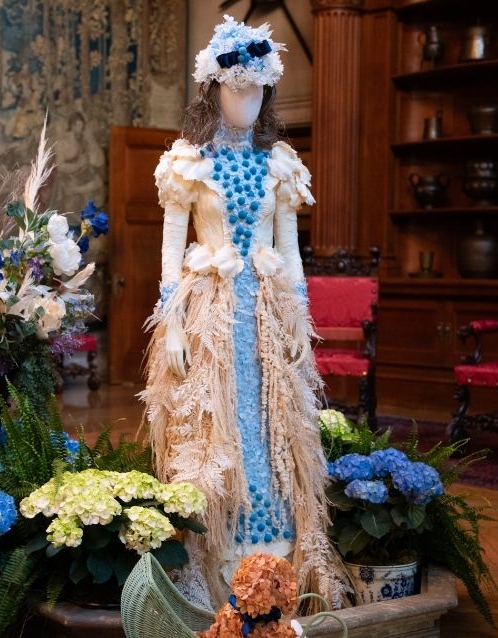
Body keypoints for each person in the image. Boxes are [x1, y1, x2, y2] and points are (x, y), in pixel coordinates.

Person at [140, 15, 344, 609]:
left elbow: (290, 252)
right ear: (214, 90)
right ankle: (217, 550)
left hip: (266, 313)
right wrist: (172, 322)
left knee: (274, 422)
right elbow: (169, 255)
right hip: (209, 314)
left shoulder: (278, 162)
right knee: (214, 428)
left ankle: (278, 549)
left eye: (259, 91)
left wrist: (300, 324)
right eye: (238, 89)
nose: (249, 101)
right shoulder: (187, 164)